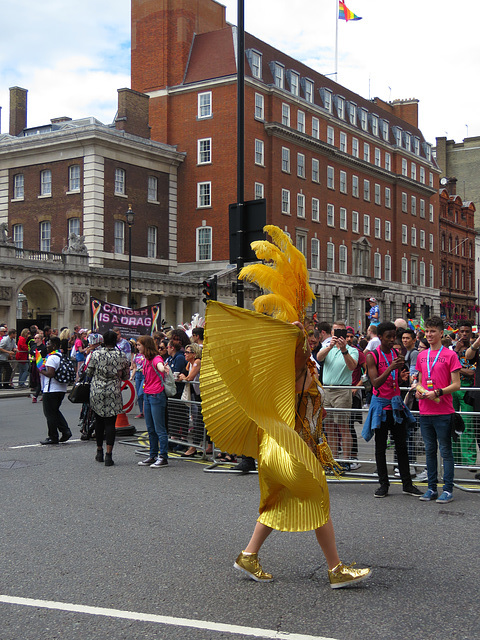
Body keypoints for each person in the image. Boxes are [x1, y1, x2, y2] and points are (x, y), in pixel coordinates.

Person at [202, 225, 370, 588]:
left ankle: (248, 556)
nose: (311, 333)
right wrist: (294, 345)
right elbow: (293, 380)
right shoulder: (292, 371)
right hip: (285, 443)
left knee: (278, 502)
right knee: (316, 495)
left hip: (286, 442)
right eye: (306, 331)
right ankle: (335, 569)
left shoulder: (305, 366)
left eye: (310, 330)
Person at [362, 322, 422, 498]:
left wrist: (402, 378)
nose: (391, 340)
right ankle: (383, 485)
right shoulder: (372, 356)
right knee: (380, 448)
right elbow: (375, 383)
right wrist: (391, 368)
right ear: (380, 337)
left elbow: (396, 380)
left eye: (393, 336)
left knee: (402, 447)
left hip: (396, 405)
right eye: (387, 337)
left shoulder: (396, 354)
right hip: (381, 407)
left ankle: (407, 484)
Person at [415, 316, 461, 503]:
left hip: (443, 411)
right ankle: (431, 488)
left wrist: (438, 392)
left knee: (446, 451)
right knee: (430, 450)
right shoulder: (421, 355)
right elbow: (418, 381)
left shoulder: (451, 355)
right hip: (425, 410)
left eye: (433, 331)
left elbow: (456, 384)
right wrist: (420, 392)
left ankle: (448, 489)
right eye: (427, 331)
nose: (429, 334)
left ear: (442, 333)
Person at [316, 321, 359, 467]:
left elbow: (352, 366)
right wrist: (330, 346)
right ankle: (333, 459)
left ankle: (345, 460)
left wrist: (344, 350)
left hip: (342, 390)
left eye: (342, 332)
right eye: (336, 331)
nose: (339, 334)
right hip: (327, 390)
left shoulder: (352, 350)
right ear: (332, 333)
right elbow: (319, 358)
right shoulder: (327, 348)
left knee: (343, 426)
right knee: (329, 427)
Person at [86, 330, 130, 466]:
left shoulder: (96, 354)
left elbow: (89, 372)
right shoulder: (121, 355)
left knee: (99, 421)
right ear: (115, 341)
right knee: (111, 423)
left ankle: (99, 451)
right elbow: (126, 376)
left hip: (97, 390)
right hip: (113, 391)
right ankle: (109, 455)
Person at [136, 335, 169, 468]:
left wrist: (163, 369)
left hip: (156, 395)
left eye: (139, 345)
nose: (137, 347)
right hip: (148, 395)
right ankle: (153, 454)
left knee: (159, 428)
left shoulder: (156, 358)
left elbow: (160, 366)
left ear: (146, 345)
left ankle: (163, 456)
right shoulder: (145, 360)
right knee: (150, 428)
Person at [451, 322, 477, 466]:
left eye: (467, 332)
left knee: (468, 424)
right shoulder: (453, 349)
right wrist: (456, 351)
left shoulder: (474, 351)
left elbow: (471, 372)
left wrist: (457, 368)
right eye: (462, 331)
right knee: (452, 423)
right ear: (458, 333)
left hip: (467, 389)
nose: (464, 334)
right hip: (452, 388)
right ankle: (455, 458)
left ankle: (470, 459)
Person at [39, 336, 72, 445]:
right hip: (61, 389)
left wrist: (41, 370)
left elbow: (50, 373)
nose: (47, 346)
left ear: (53, 345)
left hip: (51, 389)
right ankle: (65, 431)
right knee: (55, 411)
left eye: (48, 344)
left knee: (50, 414)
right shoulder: (61, 356)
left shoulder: (52, 358)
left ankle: (53, 436)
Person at [131, 340, 145, 419]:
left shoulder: (146, 356)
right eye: (137, 345)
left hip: (144, 376)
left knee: (141, 393)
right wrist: (132, 376)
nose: (137, 347)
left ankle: (145, 411)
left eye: (139, 345)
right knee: (138, 395)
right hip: (137, 375)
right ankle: (141, 412)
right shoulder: (136, 356)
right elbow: (135, 367)